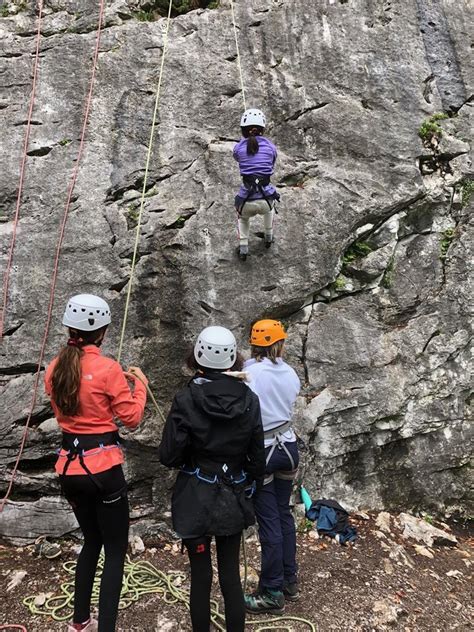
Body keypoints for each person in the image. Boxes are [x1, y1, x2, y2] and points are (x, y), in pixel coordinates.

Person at [44, 294, 148, 632]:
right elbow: (131, 418)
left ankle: (80, 623)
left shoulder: (55, 368)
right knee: (115, 550)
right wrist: (141, 386)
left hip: (69, 469)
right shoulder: (107, 369)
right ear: (102, 332)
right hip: (103, 470)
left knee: (91, 541)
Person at [159, 326, 265, 632]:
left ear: (198, 356)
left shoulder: (186, 398)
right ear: (233, 358)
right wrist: (247, 484)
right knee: (230, 575)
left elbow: (169, 455)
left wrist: (190, 458)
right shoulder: (249, 399)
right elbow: (257, 457)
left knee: (201, 577)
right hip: (232, 495)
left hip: (195, 495)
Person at [243, 319, 300, 614]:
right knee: (283, 513)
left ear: (254, 344)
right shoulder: (291, 373)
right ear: (280, 342)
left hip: (263, 451)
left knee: (268, 521)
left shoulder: (249, 373)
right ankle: (290, 580)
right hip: (288, 448)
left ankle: (272, 591)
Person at [233, 108, 280, 261]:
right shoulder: (270, 147)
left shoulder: (239, 148)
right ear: (263, 129)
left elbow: (238, 156)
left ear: (242, 130)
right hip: (266, 199)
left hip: (246, 199)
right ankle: (268, 236)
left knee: (242, 218)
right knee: (269, 210)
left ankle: (244, 246)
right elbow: (271, 163)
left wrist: (245, 140)